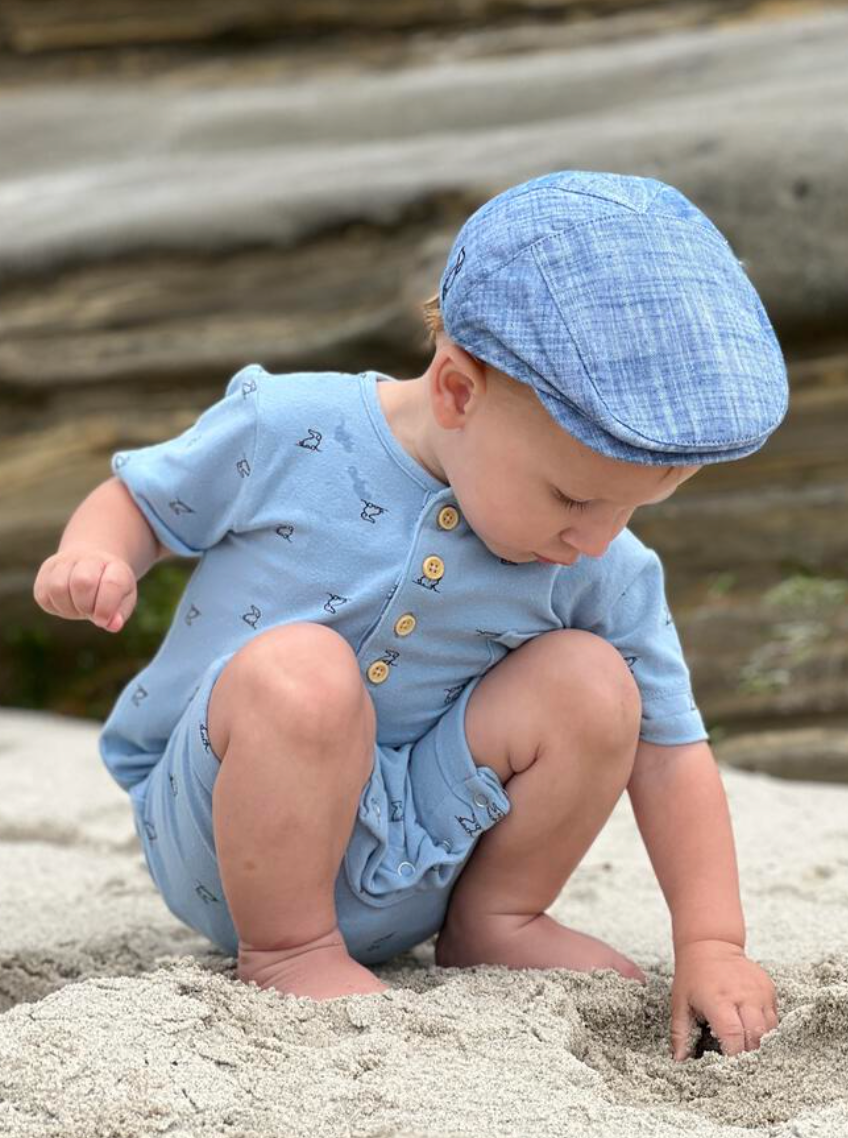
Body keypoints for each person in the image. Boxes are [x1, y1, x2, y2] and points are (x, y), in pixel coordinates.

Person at [33, 170, 786, 1062]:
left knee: (597, 683)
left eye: (631, 509)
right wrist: (96, 556)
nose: (594, 539)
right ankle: (290, 950)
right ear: (457, 393)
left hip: (425, 856)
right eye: (573, 497)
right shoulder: (289, 425)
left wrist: (712, 944)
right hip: (225, 833)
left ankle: (497, 919)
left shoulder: (599, 562)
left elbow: (671, 752)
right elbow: (146, 501)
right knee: (305, 671)